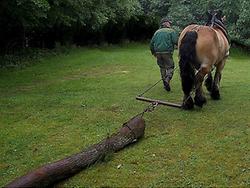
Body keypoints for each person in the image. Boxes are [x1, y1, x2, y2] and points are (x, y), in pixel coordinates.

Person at [150, 17, 178, 91]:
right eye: (169, 22)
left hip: (158, 52)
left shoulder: (157, 32)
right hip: (167, 52)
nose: (170, 24)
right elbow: (176, 41)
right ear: (166, 23)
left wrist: (153, 52)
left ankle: (164, 83)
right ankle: (167, 79)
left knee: (162, 67)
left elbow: (151, 43)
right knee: (170, 67)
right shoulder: (171, 31)